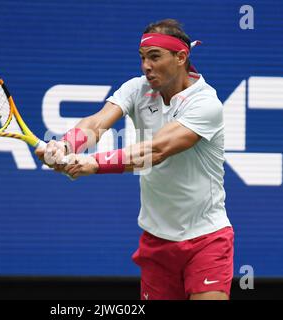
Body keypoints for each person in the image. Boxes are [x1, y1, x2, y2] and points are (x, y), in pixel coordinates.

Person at [36, 19, 234, 300]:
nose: (146, 66)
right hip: (156, 240)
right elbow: (95, 124)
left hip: (207, 238)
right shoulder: (136, 89)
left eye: (155, 57)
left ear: (181, 57)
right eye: (142, 58)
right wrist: (66, 145)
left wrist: (93, 164)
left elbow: (156, 151)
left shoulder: (206, 104)